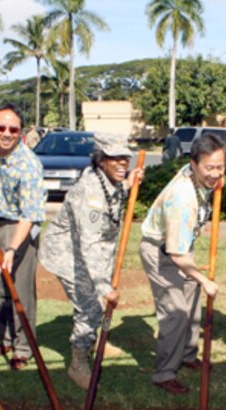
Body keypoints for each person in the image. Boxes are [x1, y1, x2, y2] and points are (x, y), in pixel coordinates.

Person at [39, 134, 144, 389]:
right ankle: (78, 363)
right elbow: (90, 243)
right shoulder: (89, 193)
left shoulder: (109, 181)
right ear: (101, 161)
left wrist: (129, 184)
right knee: (91, 307)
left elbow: (111, 199)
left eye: (125, 159)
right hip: (68, 254)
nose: (122, 163)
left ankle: (95, 341)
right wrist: (103, 285)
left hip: (91, 251)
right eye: (114, 159)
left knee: (96, 302)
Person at [139, 134, 224, 394]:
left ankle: (187, 355)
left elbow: (213, 180)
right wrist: (205, 280)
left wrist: (216, 178)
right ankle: (164, 373)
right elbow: (176, 256)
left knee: (191, 305)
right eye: (209, 168)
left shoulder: (195, 175)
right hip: (163, 253)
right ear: (194, 163)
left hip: (180, 248)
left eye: (221, 167)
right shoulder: (182, 199)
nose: (216, 174)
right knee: (176, 312)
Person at [0, 103, 47, 370]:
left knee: (19, 288)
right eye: (0, 127)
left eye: (12, 129)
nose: (6, 133)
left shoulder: (29, 165)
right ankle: (4, 338)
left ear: (21, 132)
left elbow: (29, 215)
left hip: (19, 227)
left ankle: (23, 347)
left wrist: (12, 249)